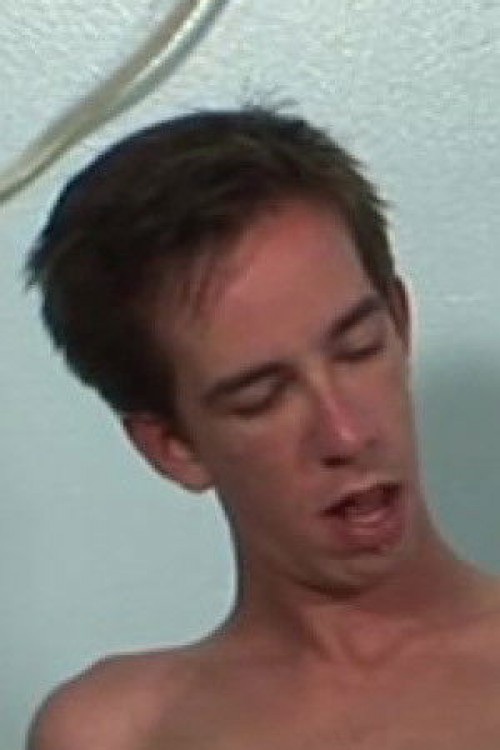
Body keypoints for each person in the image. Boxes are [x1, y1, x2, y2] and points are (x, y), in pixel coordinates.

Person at [27, 107, 500, 750]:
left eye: (358, 350)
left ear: (399, 323)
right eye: (261, 398)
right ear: (174, 447)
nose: (346, 434)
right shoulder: (120, 732)